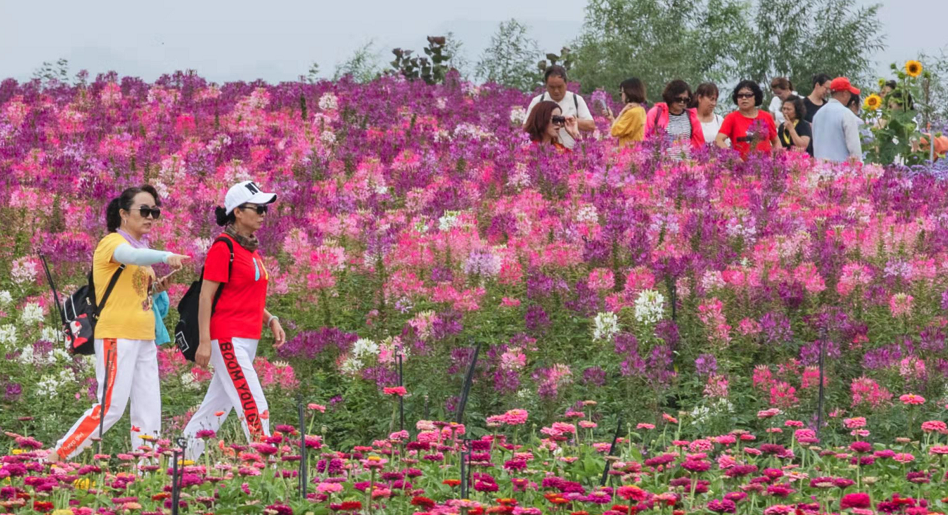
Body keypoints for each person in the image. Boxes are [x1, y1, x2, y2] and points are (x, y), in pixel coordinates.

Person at [48, 186, 190, 462]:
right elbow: (131, 258)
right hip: (117, 335)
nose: (150, 217)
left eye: (155, 212)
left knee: (149, 409)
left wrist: (158, 287)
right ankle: (58, 454)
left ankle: (146, 472)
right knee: (110, 407)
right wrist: (164, 256)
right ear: (124, 214)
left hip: (143, 335)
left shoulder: (142, 248)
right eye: (144, 211)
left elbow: (135, 291)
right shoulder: (113, 243)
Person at [182, 181, 285, 460]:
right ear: (237, 212)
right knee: (254, 404)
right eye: (258, 208)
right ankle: (267, 469)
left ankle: (175, 464)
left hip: (246, 338)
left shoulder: (250, 250)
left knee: (214, 409)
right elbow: (206, 296)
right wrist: (204, 341)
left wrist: (270, 318)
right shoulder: (223, 247)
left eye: (265, 208)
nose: (263, 213)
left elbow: (244, 294)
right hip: (227, 338)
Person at [524, 66, 594, 148]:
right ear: (546, 85)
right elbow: (526, 127)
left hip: (569, 150)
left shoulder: (576, 99)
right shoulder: (538, 101)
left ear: (566, 83)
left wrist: (568, 121)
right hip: (542, 150)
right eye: (552, 87)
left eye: (559, 86)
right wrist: (545, 120)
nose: (556, 91)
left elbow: (591, 126)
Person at [715, 80, 780, 159]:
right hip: (741, 167)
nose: (744, 98)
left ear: (756, 96)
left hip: (765, 167)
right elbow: (718, 140)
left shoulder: (766, 116)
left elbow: (776, 141)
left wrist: (777, 159)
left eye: (748, 95)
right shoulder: (731, 118)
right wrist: (733, 157)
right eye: (740, 95)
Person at [812, 77, 863, 163]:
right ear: (845, 94)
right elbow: (854, 148)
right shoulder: (846, 114)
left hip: (819, 169)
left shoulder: (818, 114)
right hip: (840, 170)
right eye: (850, 93)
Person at [645, 80, 705, 151]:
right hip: (663, 160)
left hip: (686, 160)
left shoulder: (691, 116)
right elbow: (646, 138)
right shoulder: (656, 112)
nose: (682, 102)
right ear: (671, 97)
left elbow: (699, 146)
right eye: (678, 99)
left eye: (686, 100)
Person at [607, 77, 647, 147]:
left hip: (628, 153)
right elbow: (623, 129)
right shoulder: (641, 110)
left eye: (621, 93)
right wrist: (612, 118)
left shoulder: (631, 113)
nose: (621, 96)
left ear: (629, 93)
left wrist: (621, 113)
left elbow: (614, 131)